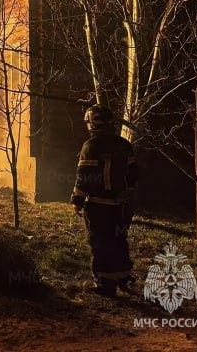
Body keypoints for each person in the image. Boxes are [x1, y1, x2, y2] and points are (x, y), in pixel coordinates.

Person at [71, 105, 139, 297]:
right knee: (119, 239)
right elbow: (133, 173)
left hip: (98, 206)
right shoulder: (124, 145)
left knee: (100, 242)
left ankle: (105, 283)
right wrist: (128, 192)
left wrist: (77, 199)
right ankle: (123, 277)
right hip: (121, 207)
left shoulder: (91, 146)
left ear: (92, 124)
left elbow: (85, 176)